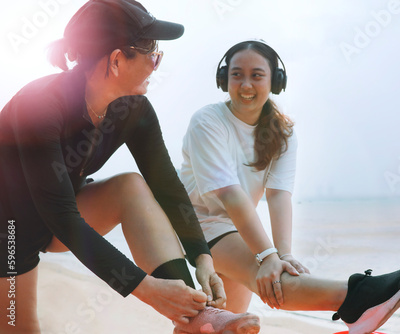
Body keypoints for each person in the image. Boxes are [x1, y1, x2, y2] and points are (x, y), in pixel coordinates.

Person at [0, 1, 261, 333]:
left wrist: (203, 258)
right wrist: (146, 289)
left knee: (130, 186)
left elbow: (166, 186)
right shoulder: (40, 107)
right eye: (152, 54)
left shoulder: (132, 109)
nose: (156, 64)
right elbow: (61, 217)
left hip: (58, 215)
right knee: (18, 327)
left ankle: (196, 315)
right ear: (117, 59)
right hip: (7, 230)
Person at [180, 39, 400, 333]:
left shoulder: (282, 132)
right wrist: (267, 256)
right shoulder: (207, 121)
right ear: (224, 79)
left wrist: (283, 255)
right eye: (236, 74)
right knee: (271, 280)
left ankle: (359, 305)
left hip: (235, 226)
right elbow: (229, 194)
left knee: (223, 323)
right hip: (195, 223)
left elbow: (278, 196)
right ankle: (358, 297)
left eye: (257, 75)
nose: (246, 84)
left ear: (275, 81)